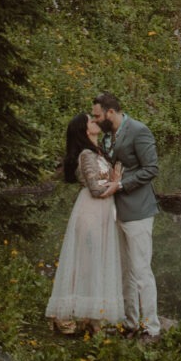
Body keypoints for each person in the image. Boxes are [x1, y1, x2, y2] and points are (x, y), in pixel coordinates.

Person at [45, 111, 123, 334]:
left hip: (102, 212)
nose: (96, 121)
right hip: (91, 212)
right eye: (91, 120)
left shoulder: (97, 152)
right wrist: (116, 184)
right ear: (84, 129)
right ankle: (68, 316)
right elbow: (96, 189)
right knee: (88, 263)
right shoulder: (86, 155)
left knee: (95, 263)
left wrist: (114, 181)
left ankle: (91, 317)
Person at [93, 92, 160, 337]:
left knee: (142, 271)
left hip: (139, 211)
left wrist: (121, 185)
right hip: (116, 211)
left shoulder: (139, 131)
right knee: (125, 272)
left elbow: (151, 168)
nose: (96, 119)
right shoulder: (108, 136)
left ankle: (152, 328)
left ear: (111, 112)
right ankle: (131, 324)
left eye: (98, 115)